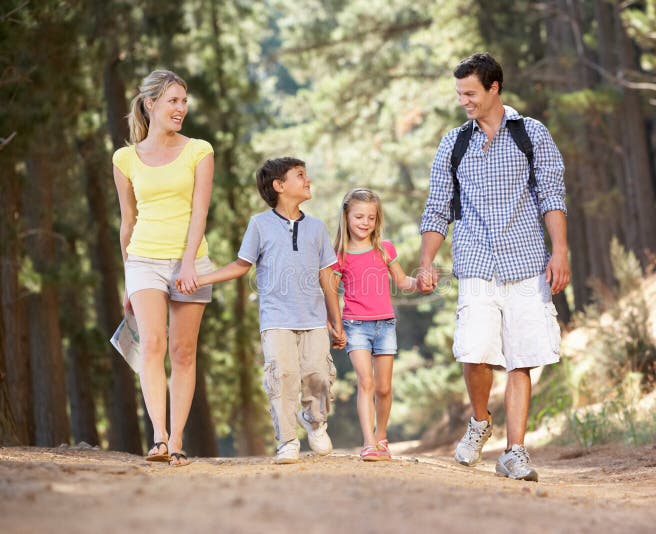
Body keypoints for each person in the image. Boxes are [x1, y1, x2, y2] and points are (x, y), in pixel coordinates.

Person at [418, 53, 569, 481]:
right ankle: (480, 421)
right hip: (475, 261)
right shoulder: (454, 143)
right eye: (460, 94)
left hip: (525, 261)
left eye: (470, 93)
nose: (464, 101)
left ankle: (515, 452)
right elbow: (437, 207)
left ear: (494, 88)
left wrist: (560, 251)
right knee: (474, 350)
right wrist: (427, 260)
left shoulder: (531, 134)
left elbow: (552, 196)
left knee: (521, 360)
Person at [181, 157, 345, 464]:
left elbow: (327, 277)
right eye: (300, 176)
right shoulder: (259, 224)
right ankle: (287, 440)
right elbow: (241, 265)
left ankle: (314, 421)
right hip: (276, 318)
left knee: (318, 375)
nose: (308, 180)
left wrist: (336, 321)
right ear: (279, 186)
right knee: (281, 375)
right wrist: (200, 279)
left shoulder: (317, 228)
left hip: (314, 318)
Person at [112, 70, 215, 467]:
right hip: (143, 261)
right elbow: (127, 220)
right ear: (150, 104)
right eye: (173, 101)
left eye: (184, 102)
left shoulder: (199, 150)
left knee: (183, 351)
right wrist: (128, 277)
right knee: (152, 345)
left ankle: (178, 441)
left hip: (190, 259)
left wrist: (189, 263)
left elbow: (200, 211)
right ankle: (159, 438)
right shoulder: (124, 158)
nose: (181, 109)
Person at [331, 188, 417, 461]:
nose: (365, 222)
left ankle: (381, 437)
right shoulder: (339, 255)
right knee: (365, 382)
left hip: (385, 326)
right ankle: (368, 442)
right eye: (359, 216)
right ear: (346, 217)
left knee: (384, 388)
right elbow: (330, 293)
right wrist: (334, 325)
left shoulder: (384, 249)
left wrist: (422, 283)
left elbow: (403, 282)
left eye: (371, 217)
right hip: (355, 325)